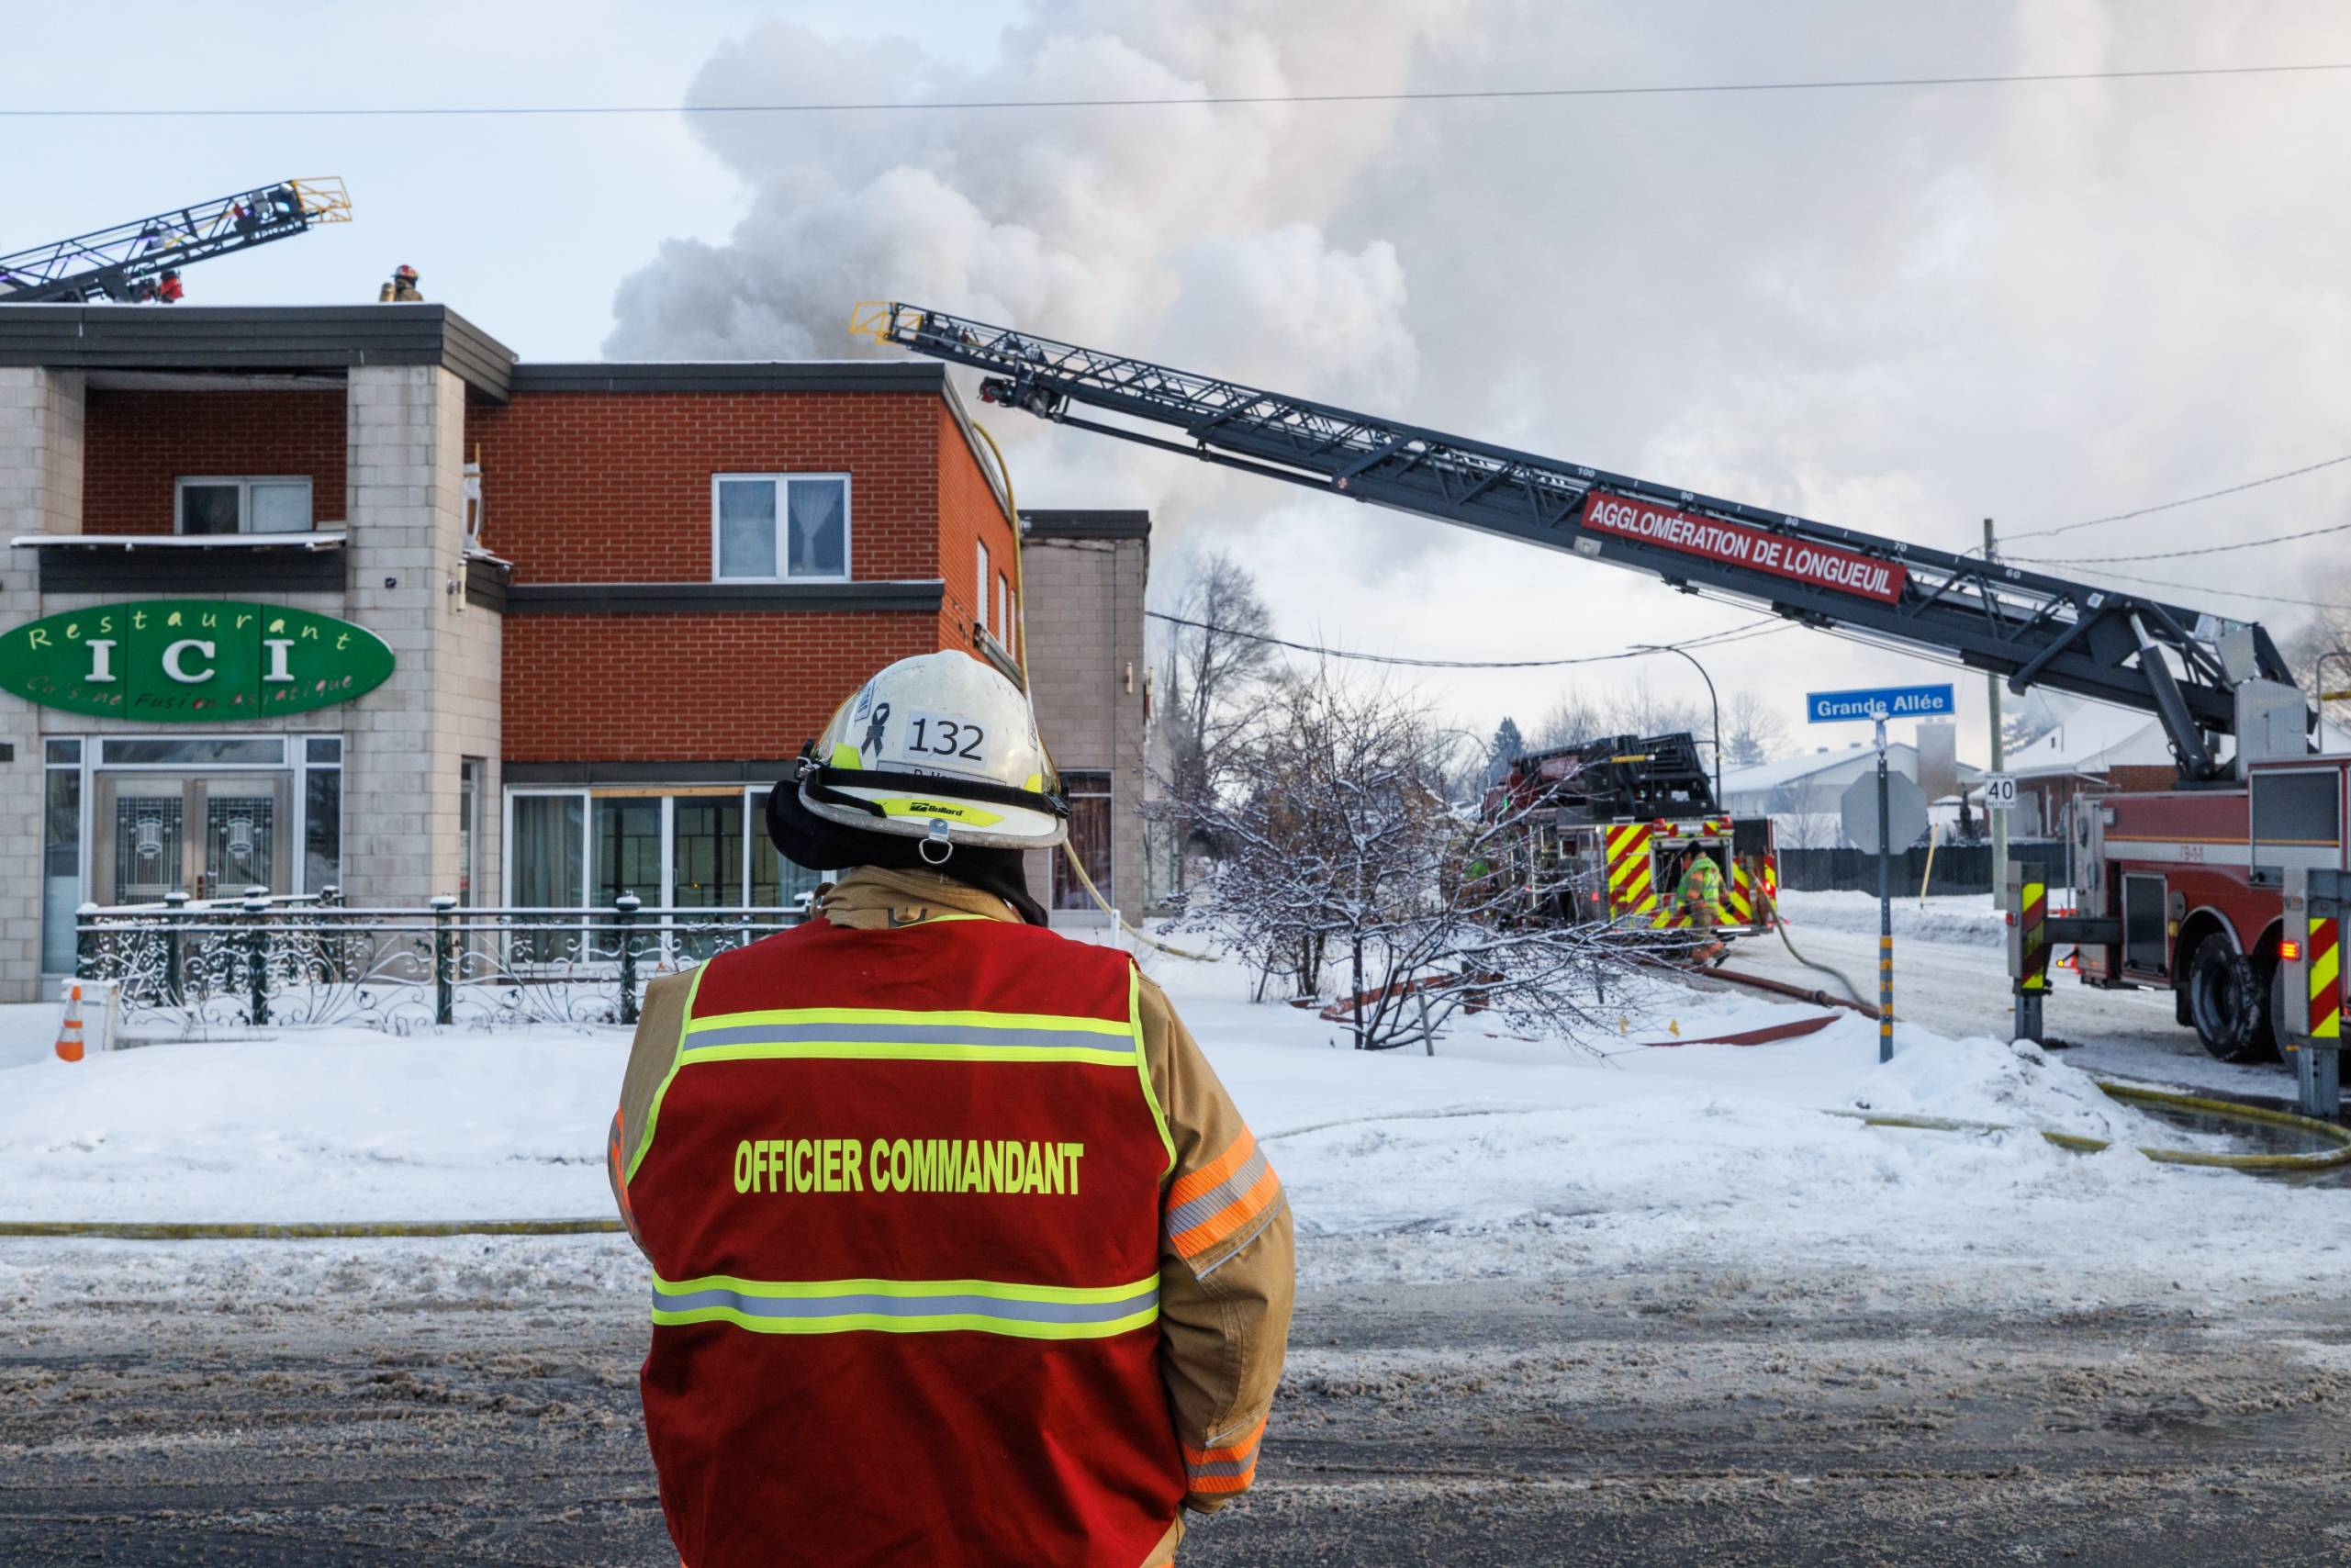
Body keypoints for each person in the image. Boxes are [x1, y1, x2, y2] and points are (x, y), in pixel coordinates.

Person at [606, 651, 1294, 1568]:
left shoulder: (695, 1018)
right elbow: (1238, 1268)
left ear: (834, 814)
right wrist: (1206, 1466)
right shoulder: (1117, 1019)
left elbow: (661, 1213)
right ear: (1018, 835)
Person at [1674, 845, 1730, 964]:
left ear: (1689, 855)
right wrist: (1726, 901)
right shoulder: (1712, 865)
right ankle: (1699, 961)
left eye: (1685, 858)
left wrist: (1688, 902)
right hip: (1711, 907)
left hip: (1701, 907)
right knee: (1699, 934)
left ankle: (1721, 951)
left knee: (1700, 934)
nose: (1685, 861)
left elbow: (1696, 886)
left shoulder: (1698, 866)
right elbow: (1721, 885)